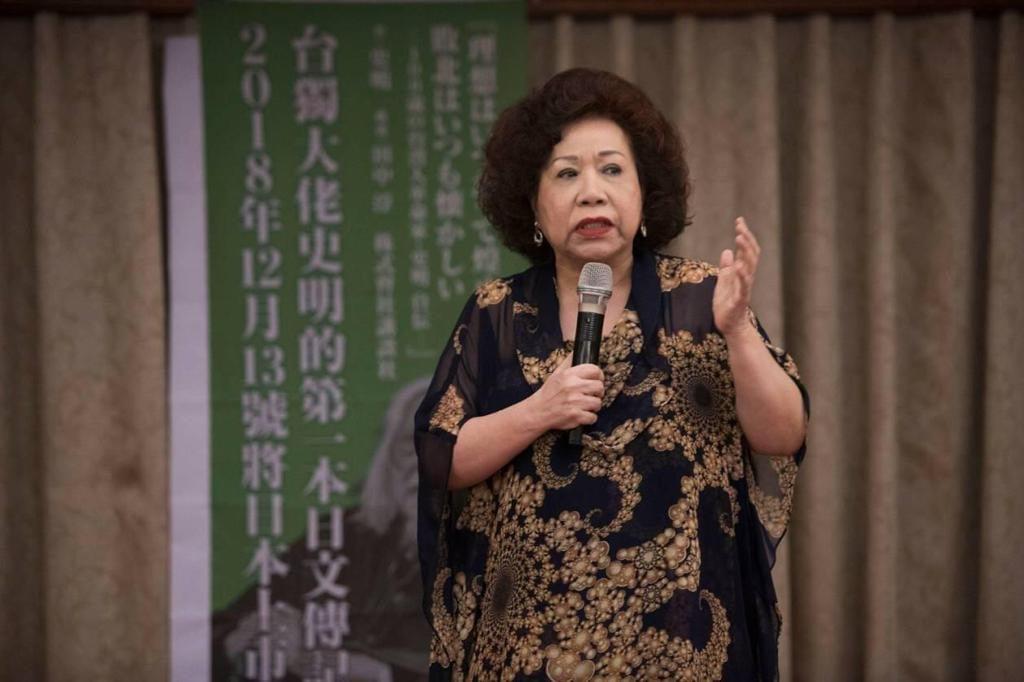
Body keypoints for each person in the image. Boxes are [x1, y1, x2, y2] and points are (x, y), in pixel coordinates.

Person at [415, 68, 808, 681]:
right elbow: (441, 458)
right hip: (532, 648)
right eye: (566, 173)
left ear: (644, 194)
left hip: (682, 647)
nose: (591, 192)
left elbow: (782, 434)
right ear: (534, 205)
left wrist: (736, 331)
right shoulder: (499, 312)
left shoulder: (702, 298)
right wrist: (538, 410)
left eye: (611, 169)